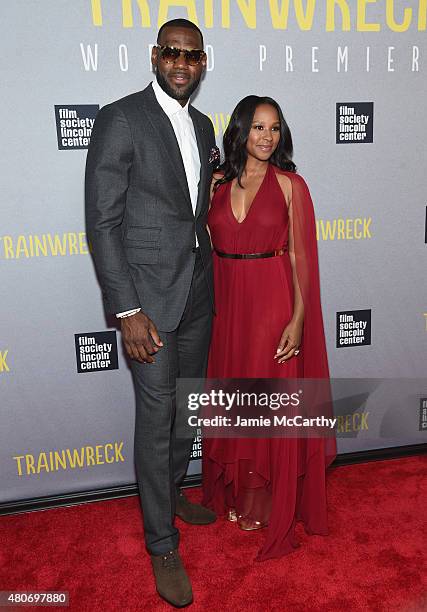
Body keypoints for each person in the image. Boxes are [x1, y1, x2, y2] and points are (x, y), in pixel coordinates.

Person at [85, 18, 217, 608]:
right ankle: (161, 541)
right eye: (172, 52)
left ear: (203, 61)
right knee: (157, 417)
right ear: (155, 55)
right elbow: (103, 222)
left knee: (188, 407)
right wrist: (127, 308)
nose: (182, 62)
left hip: (198, 294)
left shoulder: (205, 124)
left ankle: (170, 491)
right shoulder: (121, 118)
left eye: (191, 55)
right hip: (149, 304)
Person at [202, 96, 337, 561]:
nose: (266, 137)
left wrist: (297, 319)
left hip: (271, 303)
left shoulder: (290, 186)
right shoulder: (215, 185)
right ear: (240, 131)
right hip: (225, 307)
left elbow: (301, 257)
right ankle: (241, 494)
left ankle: (265, 502)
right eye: (258, 127)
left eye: (274, 128)